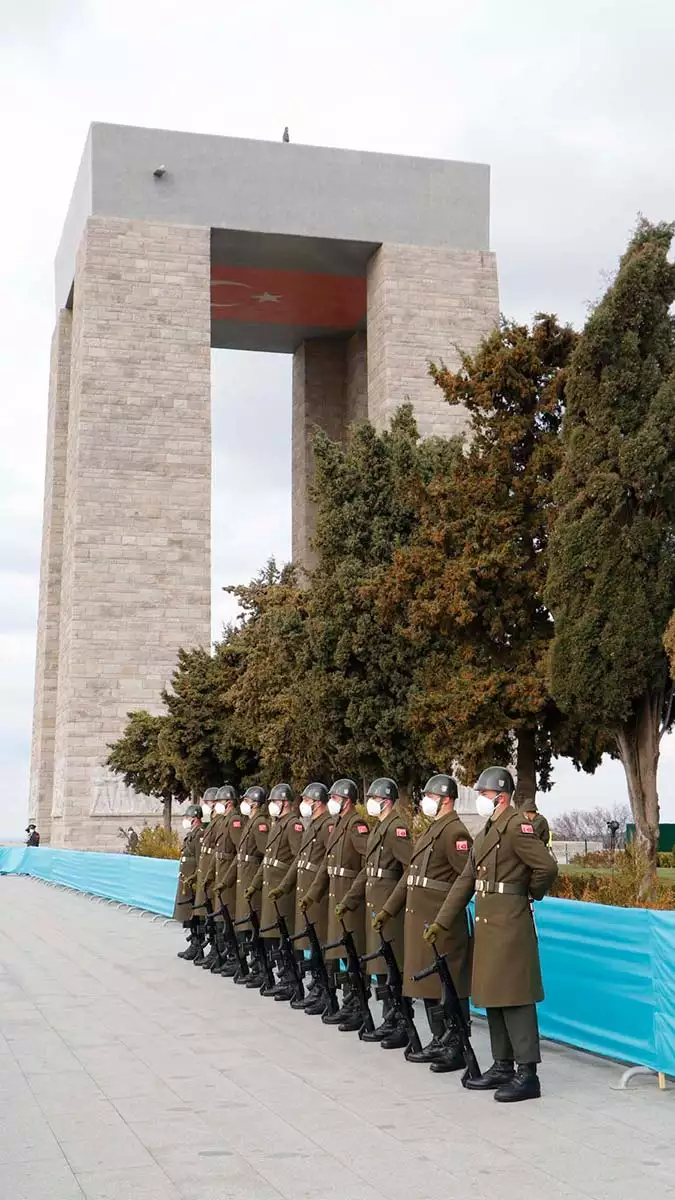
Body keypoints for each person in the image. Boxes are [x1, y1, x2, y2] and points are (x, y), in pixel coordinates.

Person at [424, 766, 558, 1102]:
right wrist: (442, 920)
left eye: (483, 794)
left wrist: (527, 893)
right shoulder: (487, 830)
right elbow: (465, 881)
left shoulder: (516, 826)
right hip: (489, 923)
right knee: (494, 995)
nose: (480, 799)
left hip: (510, 923)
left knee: (515, 996)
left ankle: (528, 1074)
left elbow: (547, 867)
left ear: (500, 795)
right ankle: (502, 1065)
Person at [376, 773, 473, 1071]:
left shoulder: (455, 833)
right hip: (422, 921)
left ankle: (455, 1044)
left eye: (430, 797)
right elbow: (411, 876)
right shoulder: (434, 830)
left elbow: (467, 878)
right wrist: (389, 909)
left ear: (445, 799)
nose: (425, 802)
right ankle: (439, 1039)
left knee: (447, 984)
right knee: (429, 983)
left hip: (441, 924)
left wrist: (444, 918)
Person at [339, 778, 412, 1047]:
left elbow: (410, 869)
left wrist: (394, 904)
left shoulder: (397, 828)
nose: (368, 801)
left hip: (389, 909)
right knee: (381, 966)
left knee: (392, 967)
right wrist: (349, 899)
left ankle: (401, 1023)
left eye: (373, 796)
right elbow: (368, 870)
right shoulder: (381, 826)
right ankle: (389, 1019)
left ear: (387, 800)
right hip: (375, 905)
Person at [303, 779, 369, 1031]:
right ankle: (347, 1002)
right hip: (336, 896)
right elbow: (327, 866)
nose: (331, 801)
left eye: (334, 797)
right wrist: (313, 894)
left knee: (353, 955)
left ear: (346, 800)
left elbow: (369, 863)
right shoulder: (339, 824)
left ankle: (357, 1007)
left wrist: (353, 896)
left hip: (350, 899)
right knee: (341, 952)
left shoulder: (356, 825)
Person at [268, 782, 333, 1013]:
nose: (303, 804)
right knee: (311, 942)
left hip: (319, 895)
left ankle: (324, 991)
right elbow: (301, 860)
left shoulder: (325, 826)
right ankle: (316, 986)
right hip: (307, 891)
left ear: (318, 802)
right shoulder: (313, 825)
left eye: (307, 800)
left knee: (320, 944)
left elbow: (327, 862)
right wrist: (285, 887)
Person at [246, 783, 304, 1000]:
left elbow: (299, 858)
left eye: (274, 802)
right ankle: (284, 979)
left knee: (284, 936)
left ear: (285, 803)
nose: (271, 805)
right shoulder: (278, 824)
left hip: (283, 891)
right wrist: (256, 883)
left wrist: (284, 885)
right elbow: (268, 859)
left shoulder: (293, 825)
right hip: (272, 888)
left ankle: (293, 982)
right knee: (274, 937)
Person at [227, 785, 269, 987]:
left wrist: (257, 880)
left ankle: (262, 970)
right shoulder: (250, 821)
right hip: (245, 877)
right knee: (246, 926)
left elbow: (265, 853)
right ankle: (255, 967)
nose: (244, 803)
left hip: (253, 877)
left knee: (253, 926)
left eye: (247, 800)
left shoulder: (260, 822)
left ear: (255, 802)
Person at [209, 785, 245, 975]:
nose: (216, 805)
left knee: (228, 920)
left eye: (220, 802)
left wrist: (230, 876)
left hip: (230, 878)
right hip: (221, 873)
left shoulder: (234, 821)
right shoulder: (223, 820)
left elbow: (241, 851)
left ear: (228, 802)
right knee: (221, 920)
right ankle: (225, 955)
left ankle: (234, 958)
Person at [191, 787, 226, 967]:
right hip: (210, 873)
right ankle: (214, 951)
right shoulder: (212, 821)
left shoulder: (221, 822)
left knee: (215, 916)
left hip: (217, 875)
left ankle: (218, 952)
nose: (204, 806)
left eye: (207, 802)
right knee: (211, 917)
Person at [173, 803, 205, 959]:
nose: (185, 820)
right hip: (187, 882)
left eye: (187, 817)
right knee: (188, 914)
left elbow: (201, 860)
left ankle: (197, 947)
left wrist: (196, 880)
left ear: (195, 819)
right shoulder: (192, 834)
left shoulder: (199, 835)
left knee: (195, 915)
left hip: (193, 883)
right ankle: (194, 943)